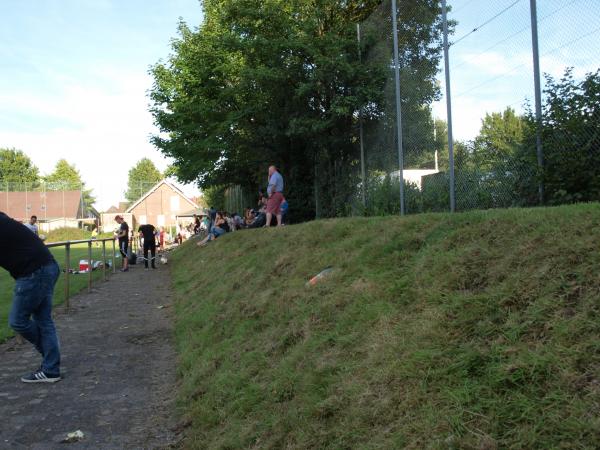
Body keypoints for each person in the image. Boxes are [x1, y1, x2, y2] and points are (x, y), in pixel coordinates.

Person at [0, 211, 61, 383]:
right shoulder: (4, 220)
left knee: (18, 321)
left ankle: (51, 360)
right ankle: (50, 369)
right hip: (47, 266)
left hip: (34, 272)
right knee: (44, 320)